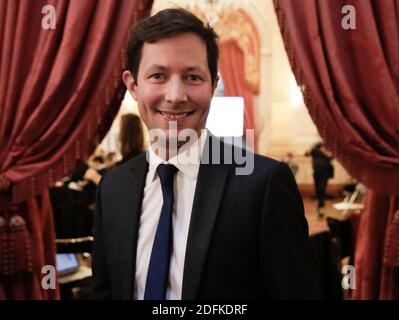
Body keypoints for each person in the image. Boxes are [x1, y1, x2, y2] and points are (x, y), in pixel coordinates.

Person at [91, 8, 319, 300]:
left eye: (193, 77)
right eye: (158, 75)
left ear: (213, 85)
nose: (175, 96)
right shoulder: (112, 189)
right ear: (133, 85)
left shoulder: (263, 185)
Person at [305, 141, 334, 218]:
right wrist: (312, 146)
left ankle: (321, 207)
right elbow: (306, 154)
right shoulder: (314, 149)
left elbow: (331, 156)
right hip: (316, 172)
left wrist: (323, 149)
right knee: (318, 189)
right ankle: (320, 205)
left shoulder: (327, 148)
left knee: (322, 188)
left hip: (325, 172)